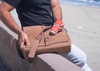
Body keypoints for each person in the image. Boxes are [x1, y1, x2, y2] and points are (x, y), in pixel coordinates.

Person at [0, 0, 92, 71]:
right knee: (80, 58)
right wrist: (20, 33)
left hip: (51, 32)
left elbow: (55, 6)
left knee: (80, 58)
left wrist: (58, 23)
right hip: (35, 36)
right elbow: (2, 10)